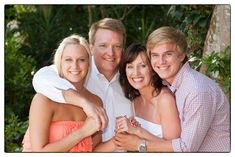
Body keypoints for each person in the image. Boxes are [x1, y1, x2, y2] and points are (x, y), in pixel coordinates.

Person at [31, 18, 133, 151]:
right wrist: (83, 103)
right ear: (91, 49)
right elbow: (39, 78)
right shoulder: (71, 74)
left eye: (117, 46)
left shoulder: (131, 81)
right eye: (103, 45)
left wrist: (124, 137)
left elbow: (93, 149)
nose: (111, 53)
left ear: (123, 50)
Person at [139, 26, 229, 152]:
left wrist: (139, 145)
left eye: (168, 54)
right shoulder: (171, 84)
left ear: (182, 55)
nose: (161, 61)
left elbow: (186, 148)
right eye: (155, 55)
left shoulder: (196, 91)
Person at [22, 34, 102, 152]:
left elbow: (94, 149)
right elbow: (38, 152)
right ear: (59, 63)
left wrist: (118, 140)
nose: (75, 66)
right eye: (68, 59)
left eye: (81, 60)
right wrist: (82, 132)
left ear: (89, 63)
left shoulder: (95, 101)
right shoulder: (43, 99)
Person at [114, 43, 181, 152]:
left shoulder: (165, 100)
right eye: (130, 66)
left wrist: (138, 131)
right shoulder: (135, 101)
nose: (136, 73)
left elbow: (174, 150)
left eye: (142, 66)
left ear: (152, 70)